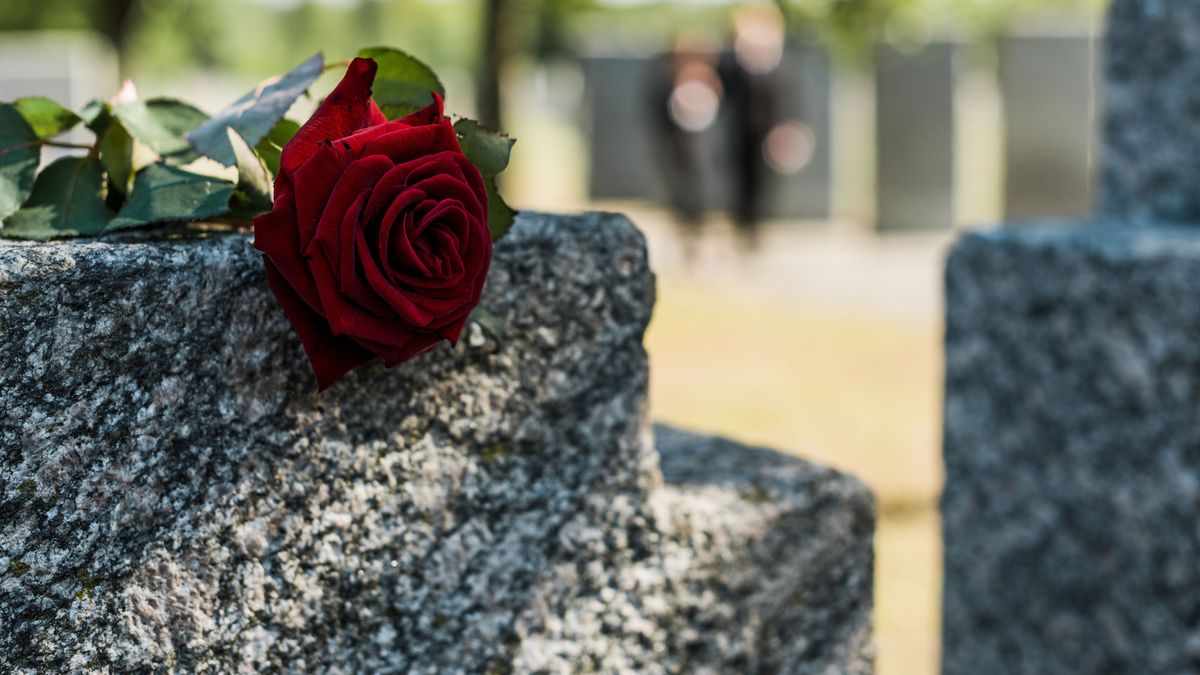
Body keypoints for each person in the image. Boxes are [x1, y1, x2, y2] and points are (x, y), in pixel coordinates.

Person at [718, 3, 786, 248]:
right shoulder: (730, 62)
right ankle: (741, 226)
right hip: (737, 133)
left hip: (766, 134)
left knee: (763, 182)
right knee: (737, 180)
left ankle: (755, 228)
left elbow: (784, 100)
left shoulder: (777, 63)